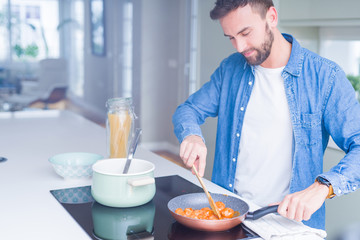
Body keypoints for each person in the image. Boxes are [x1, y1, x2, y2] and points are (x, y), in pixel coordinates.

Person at [172, 0, 360, 230]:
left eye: (245, 32)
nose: (239, 46)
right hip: (229, 219)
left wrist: (322, 187)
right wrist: (192, 136)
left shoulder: (325, 77)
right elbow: (188, 110)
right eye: (231, 37)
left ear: (271, 17)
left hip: (293, 228)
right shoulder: (230, 69)